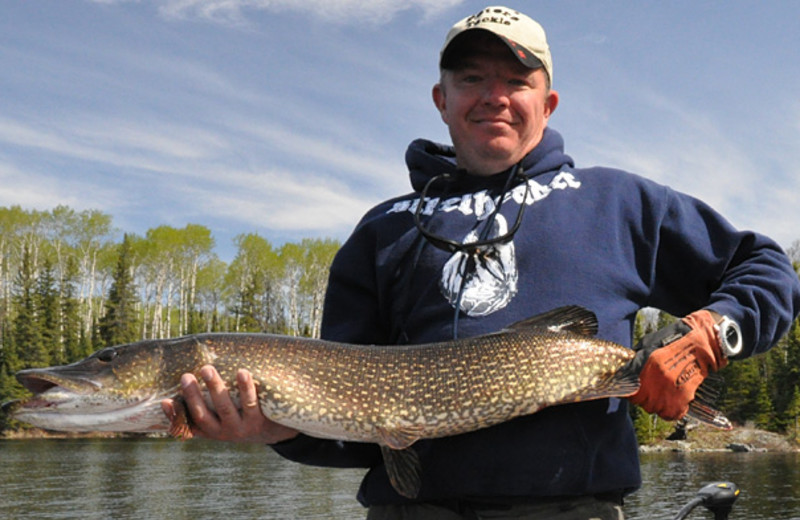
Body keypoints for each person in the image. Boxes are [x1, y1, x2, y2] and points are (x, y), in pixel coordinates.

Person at [162, 5, 800, 519]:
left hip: (571, 509)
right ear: (441, 99)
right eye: (471, 78)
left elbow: (767, 268)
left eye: (516, 80)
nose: (493, 96)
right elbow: (346, 421)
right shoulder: (382, 230)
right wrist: (276, 429)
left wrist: (715, 333)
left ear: (547, 104)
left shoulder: (616, 201)